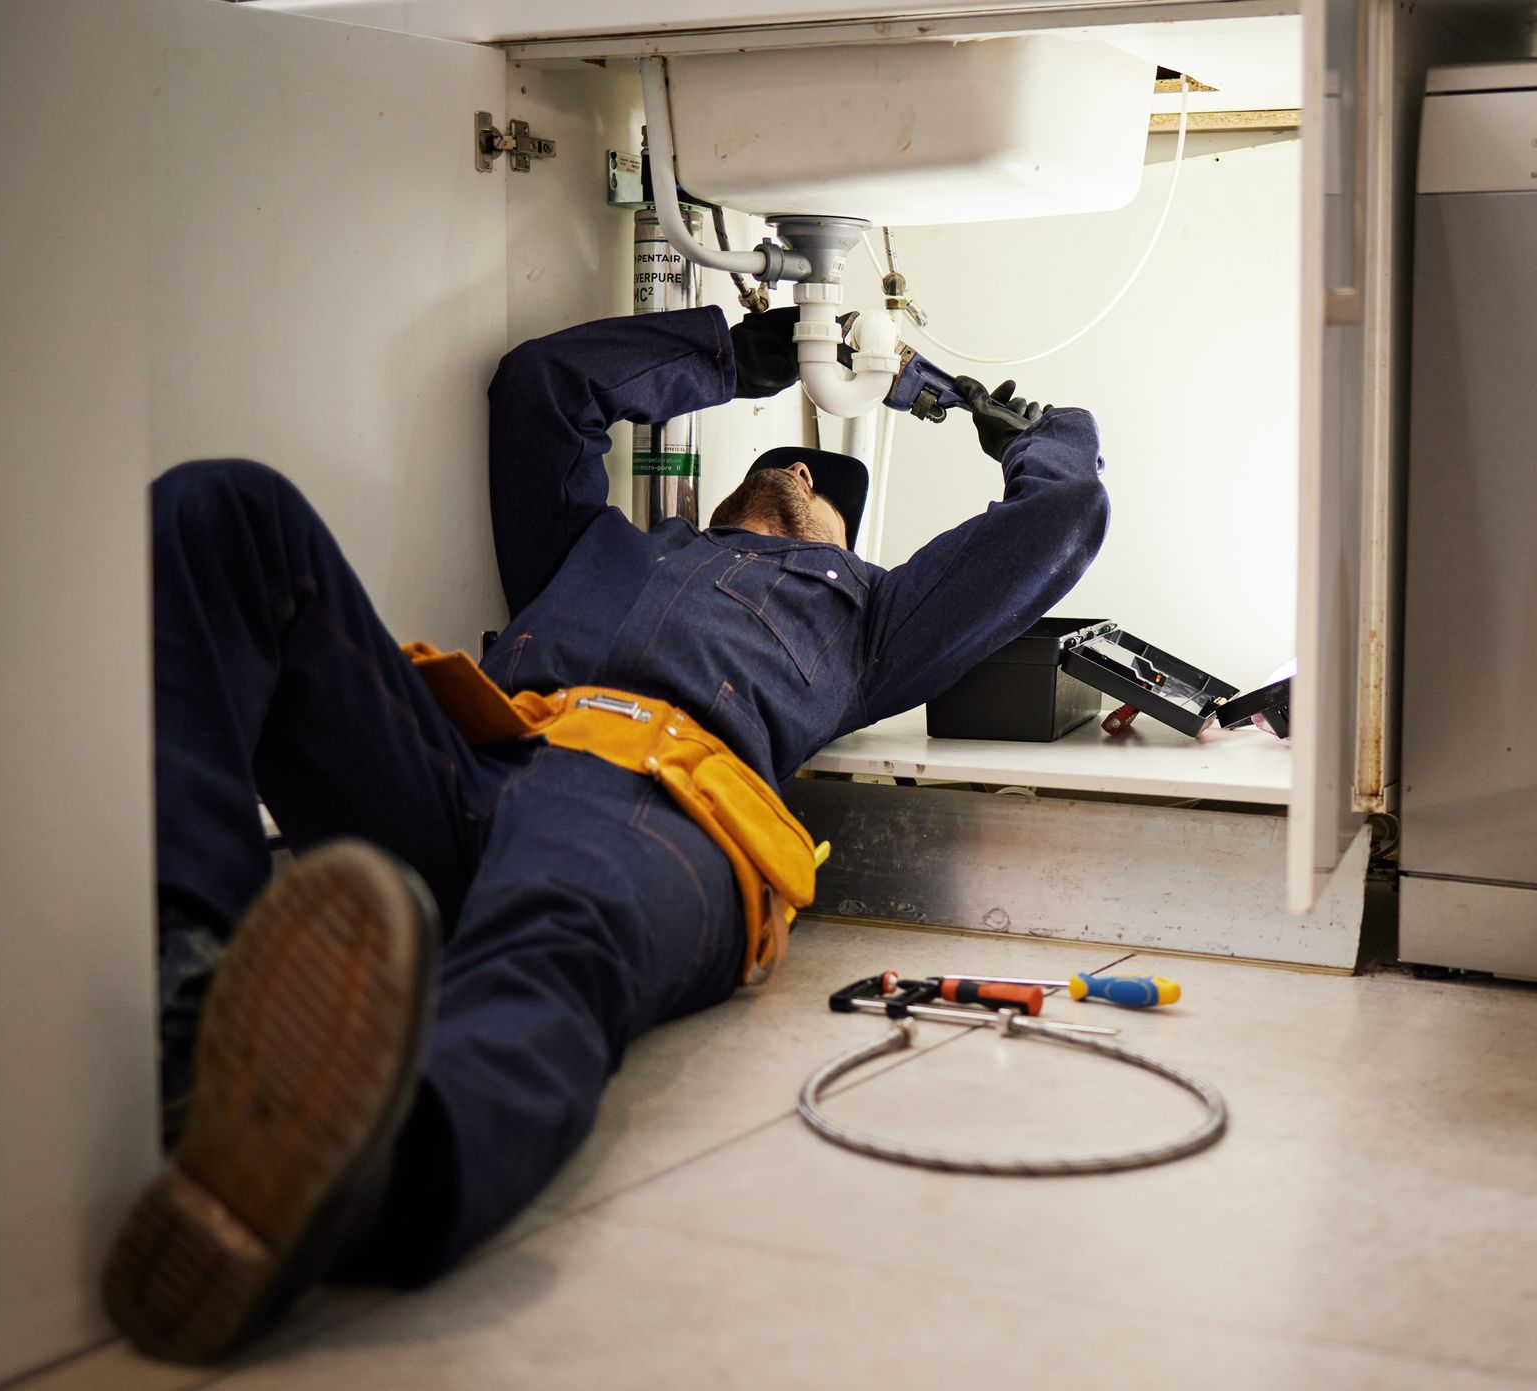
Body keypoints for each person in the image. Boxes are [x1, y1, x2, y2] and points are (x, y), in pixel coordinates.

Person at [103, 304, 1109, 1362]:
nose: (807, 485)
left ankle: (361, 1178)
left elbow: (1064, 516)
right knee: (231, 512)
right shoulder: (592, 544)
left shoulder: (873, 617)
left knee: (553, 943)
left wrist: (1027, 428)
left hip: (660, 803)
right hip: (477, 763)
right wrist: (762, 349)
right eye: (800, 472)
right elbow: (544, 388)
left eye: (825, 499)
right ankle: (190, 1010)